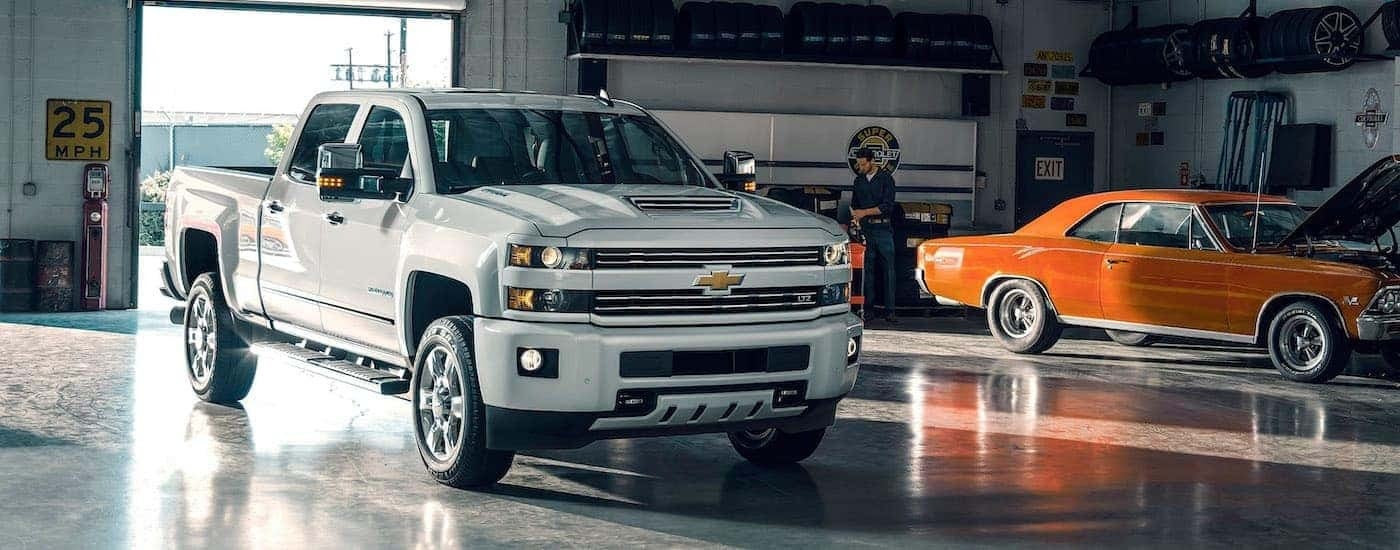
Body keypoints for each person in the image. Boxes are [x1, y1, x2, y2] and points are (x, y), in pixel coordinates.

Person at [850, 148, 897, 323]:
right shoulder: (858, 181)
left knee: (889, 270)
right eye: (859, 164)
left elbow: (887, 206)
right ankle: (868, 309)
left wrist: (864, 212)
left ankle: (890, 310)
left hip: (883, 229)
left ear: (872, 162)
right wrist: (856, 217)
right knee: (867, 271)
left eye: (863, 164)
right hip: (866, 230)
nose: (860, 167)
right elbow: (855, 205)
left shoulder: (886, 179)